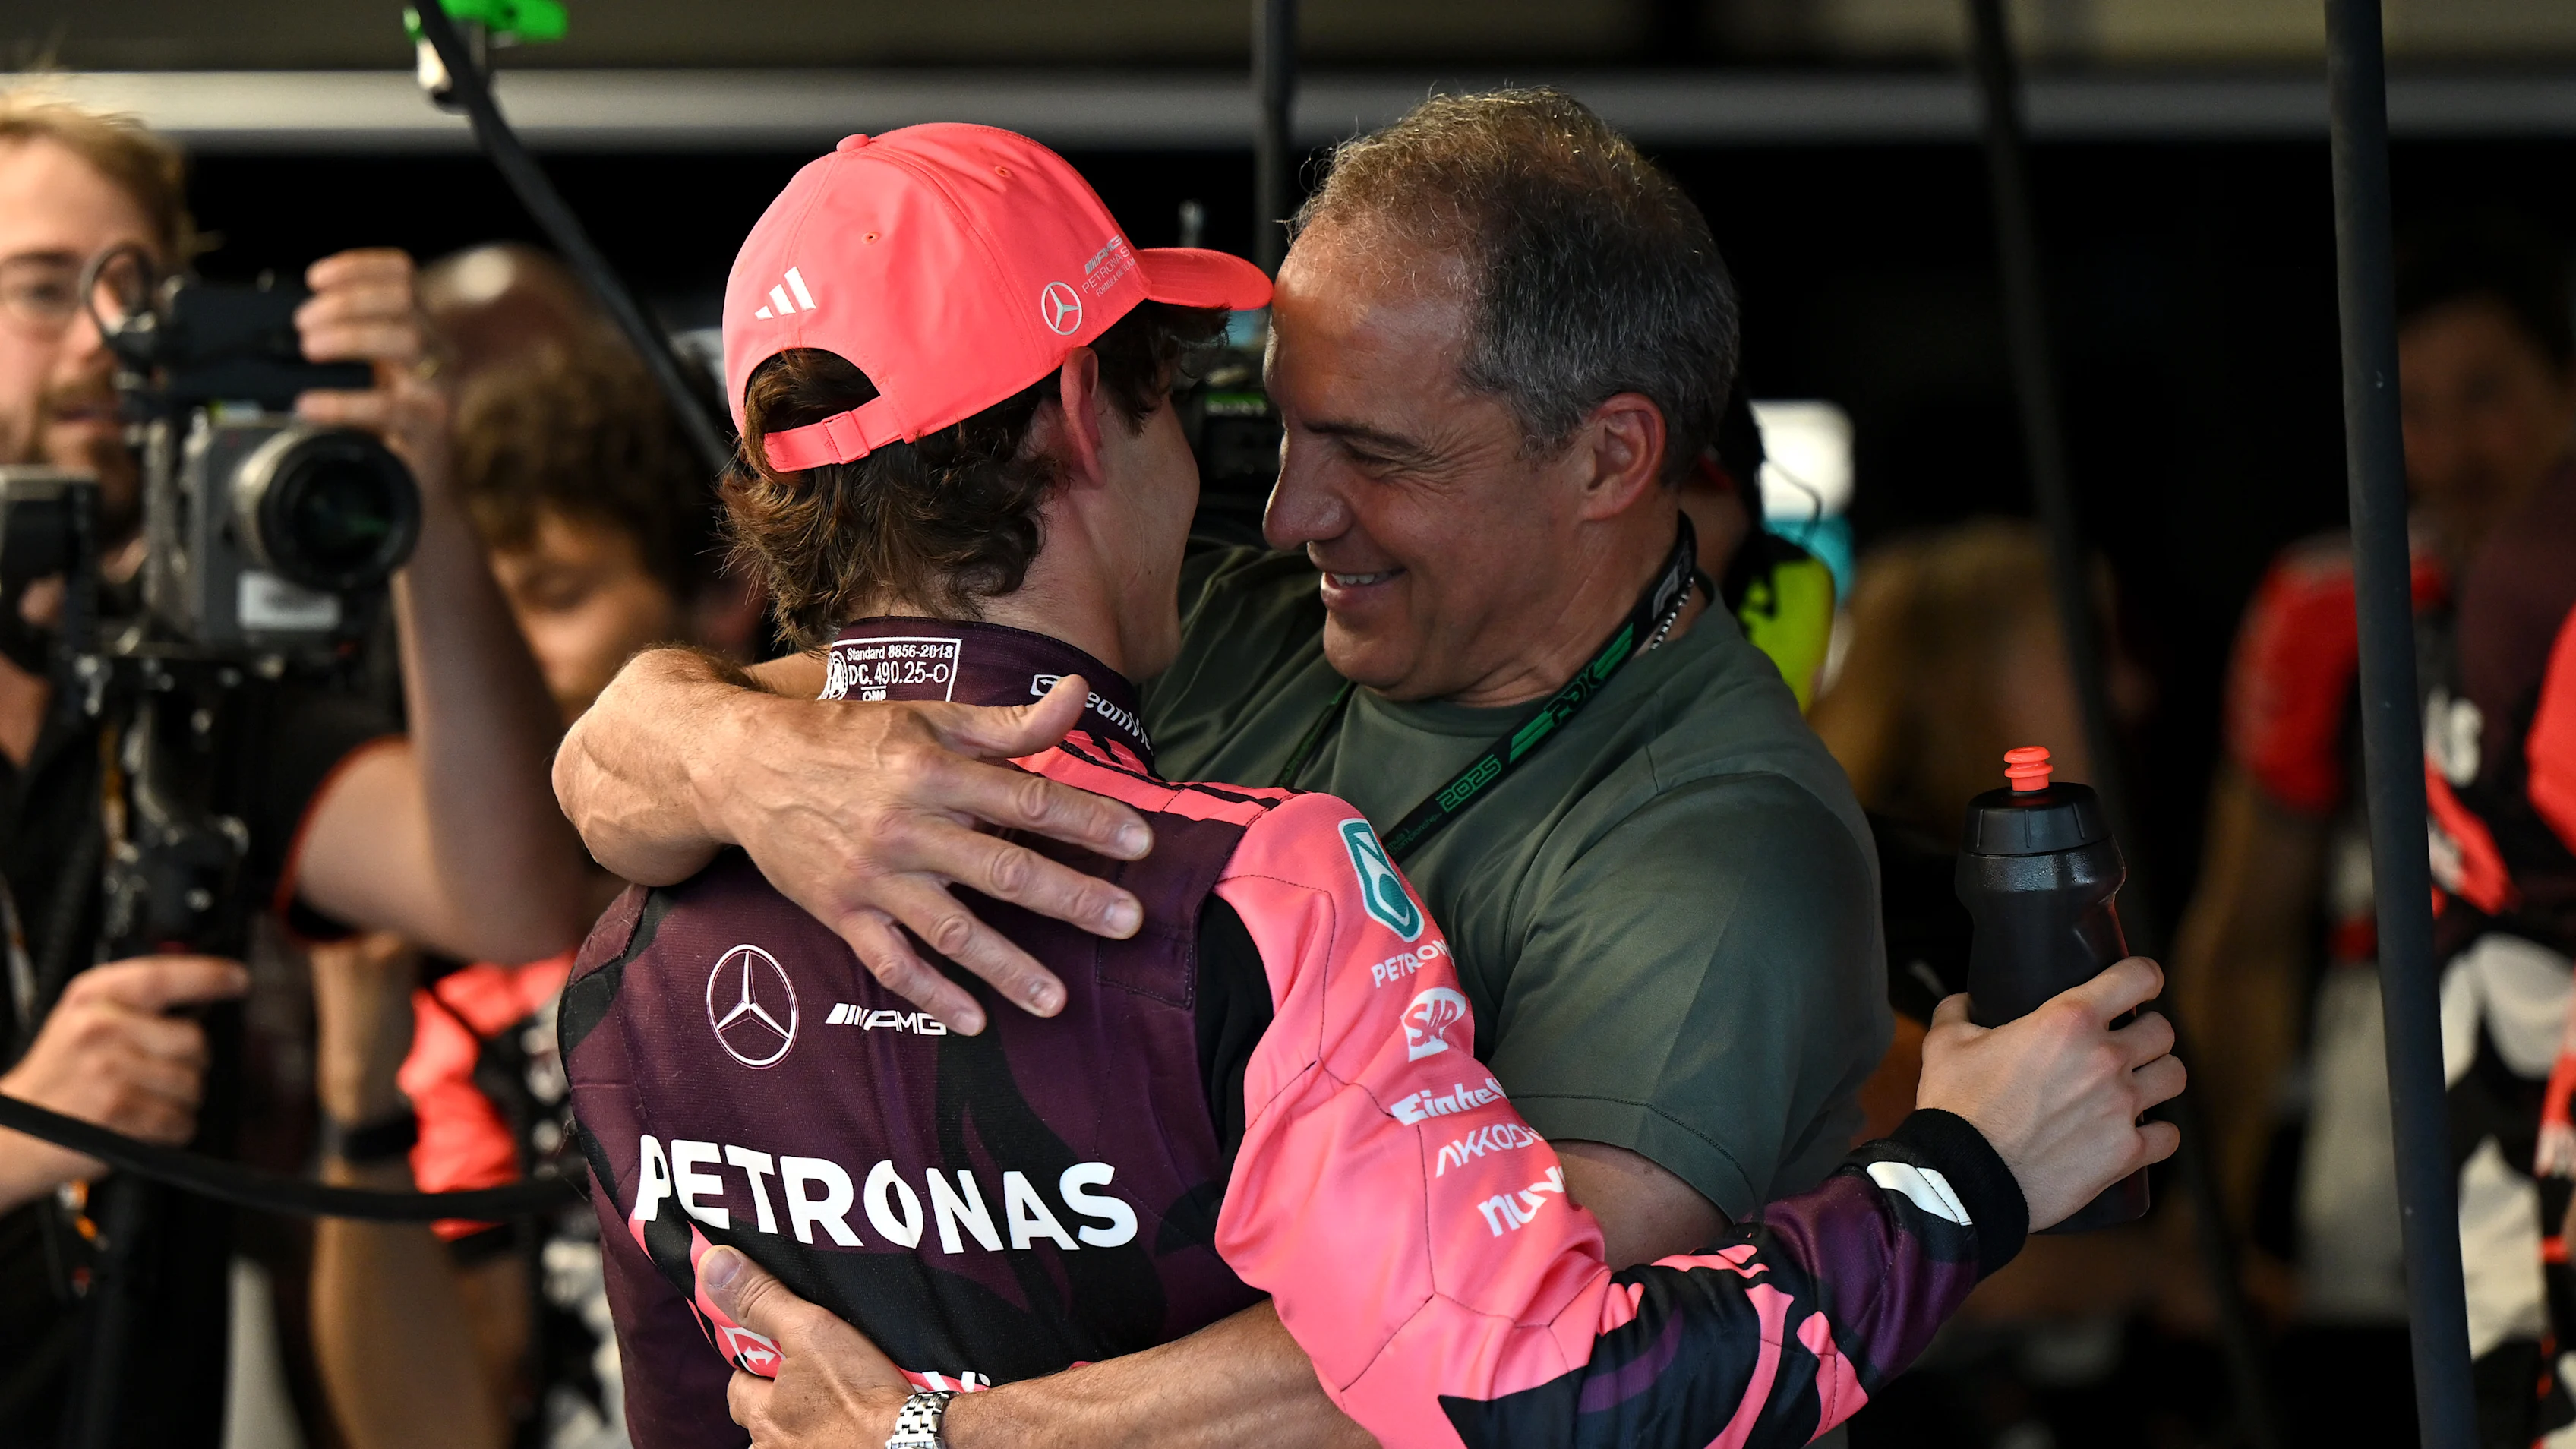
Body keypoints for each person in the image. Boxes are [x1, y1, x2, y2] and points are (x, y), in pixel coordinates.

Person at [557, 119, 2185, 1449]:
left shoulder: (1725, 851)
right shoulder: (1188, 633)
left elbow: (1444, 1384)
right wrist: (741, 758)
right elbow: (618, 751)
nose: (1280, 516)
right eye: (1264, 434)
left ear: (1613, 457)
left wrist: (928, 1441)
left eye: (1378, 458)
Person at [0, 92, 590, 1444]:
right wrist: (26, 1130)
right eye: (41, 289)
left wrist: (424, 488)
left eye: (134, 295)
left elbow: (511, 900)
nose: (100, 340)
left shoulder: (195, 689)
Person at [305, 271, 762, 1449]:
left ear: (722, 590)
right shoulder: (453, 989)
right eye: (473, 613)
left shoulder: (827, 891)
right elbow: (426, 1429)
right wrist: (360, 1112)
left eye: (551, 597)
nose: (496, 669)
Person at [2167, 217, 2576, 1441]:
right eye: (2417, 406)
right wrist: (2214, 1232)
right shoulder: (2332, 612)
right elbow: (2247, 937)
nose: (2452, 449)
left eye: (2489, 395)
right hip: (2371, 1217)